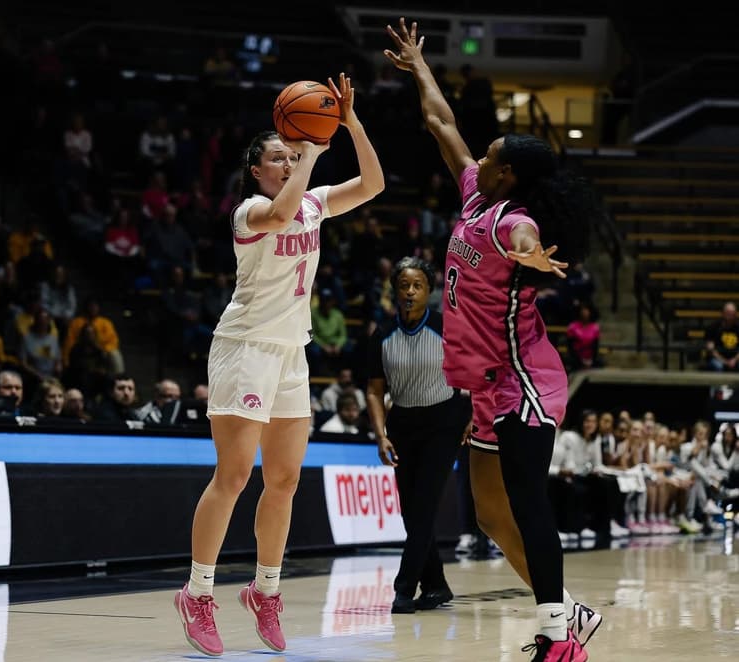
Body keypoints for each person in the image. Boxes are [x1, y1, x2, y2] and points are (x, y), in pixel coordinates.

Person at [384, 18, 604, 661]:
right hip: (482, 383)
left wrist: (533, 259)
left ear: (507, 175)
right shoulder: (476, 196)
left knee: (529, 500)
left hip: (525, 377)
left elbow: (525, 241)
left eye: (491, 157)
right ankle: (569, 612)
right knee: (488, 515)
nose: (478, 158)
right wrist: (420, 67)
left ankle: (559, 640)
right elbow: (443, 126)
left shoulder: (514, 219)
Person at [173, 71, 384, 657]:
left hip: (292, 351)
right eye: (278, 158)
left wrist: (351, 122)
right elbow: (285, 210)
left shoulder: (312, 200)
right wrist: (311, 156)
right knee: (235, 476)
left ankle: (265, 591)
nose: (289, 163)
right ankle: (197, 593)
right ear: (256, 171)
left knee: (285, 480)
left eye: (291, 155)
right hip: (245, 349)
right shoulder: (249, 210)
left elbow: (373, 183)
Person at [367, 256, 471, 613]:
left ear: (429, 291)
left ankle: (403, 588)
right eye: (404, 286)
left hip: (444, 422)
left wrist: (472, 415)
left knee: (424, 507)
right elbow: (373, 390)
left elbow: (473, 372)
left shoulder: (447, 328)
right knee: (411, 512)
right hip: (403, 425)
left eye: (418, 286)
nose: (410, 292)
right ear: (395, 290)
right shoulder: (381, 335)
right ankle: (437, 586)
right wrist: (381, 435)